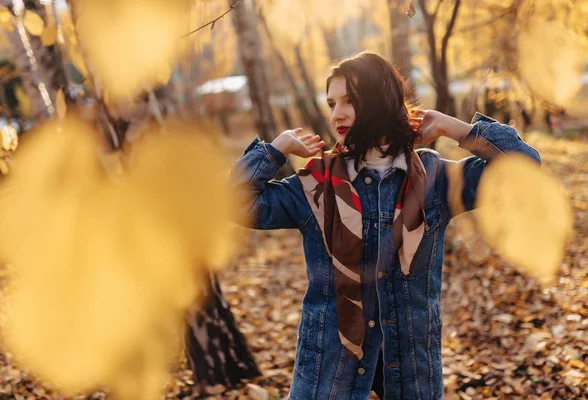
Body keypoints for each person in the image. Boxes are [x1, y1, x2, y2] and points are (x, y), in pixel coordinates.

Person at [229, 52, 540, 399]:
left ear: (380, 99)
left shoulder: (434, 180)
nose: (337, 114)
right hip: (328, 378)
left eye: (350, 100)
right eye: (331, 103)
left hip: (411, 376)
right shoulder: (316, 186)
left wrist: (454, 127)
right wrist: (276, 149)